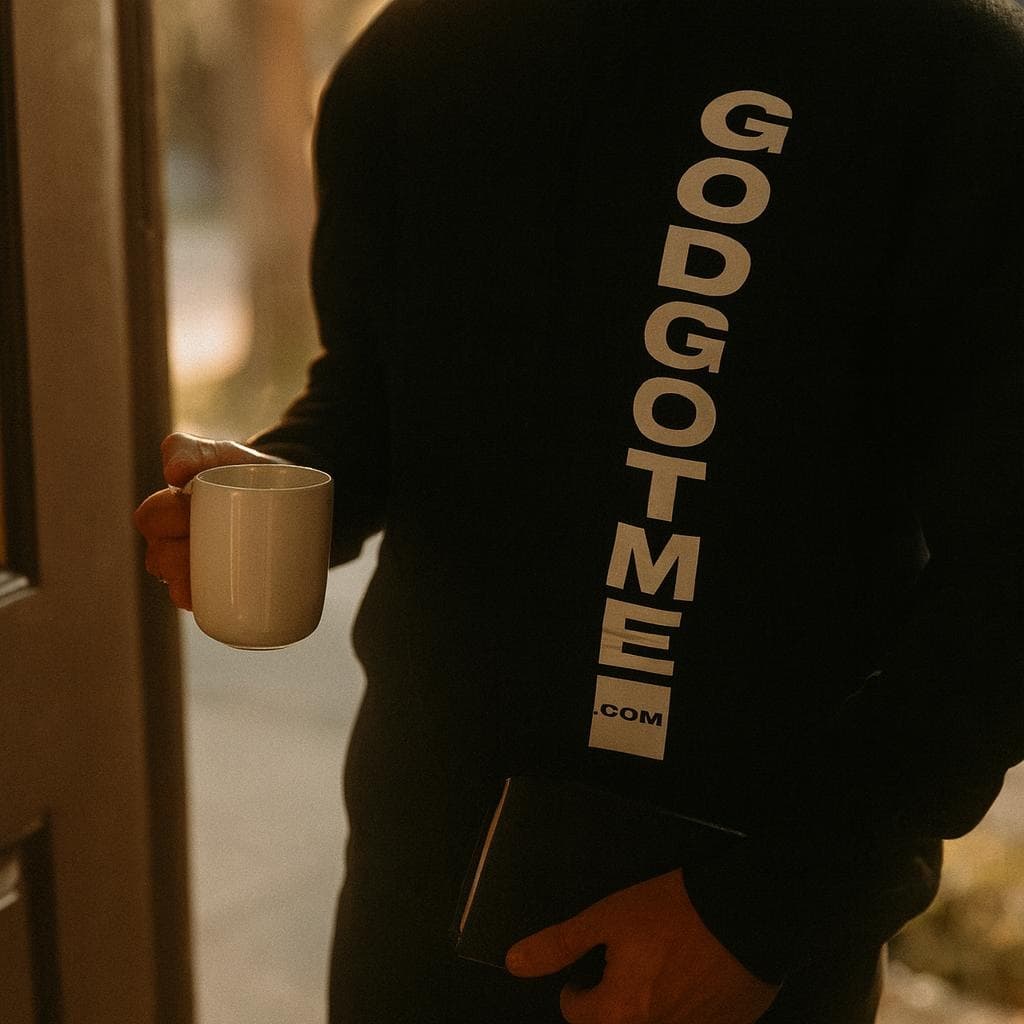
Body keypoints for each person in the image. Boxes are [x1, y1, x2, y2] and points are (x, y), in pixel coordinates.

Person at [134, 0, 1024, 1020]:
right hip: (416, 882)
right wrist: (274, 489)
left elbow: (1004, 581)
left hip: (728, 932)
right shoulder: (411, 56)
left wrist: (768, 909)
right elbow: (370, 396)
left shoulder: (943, 66)